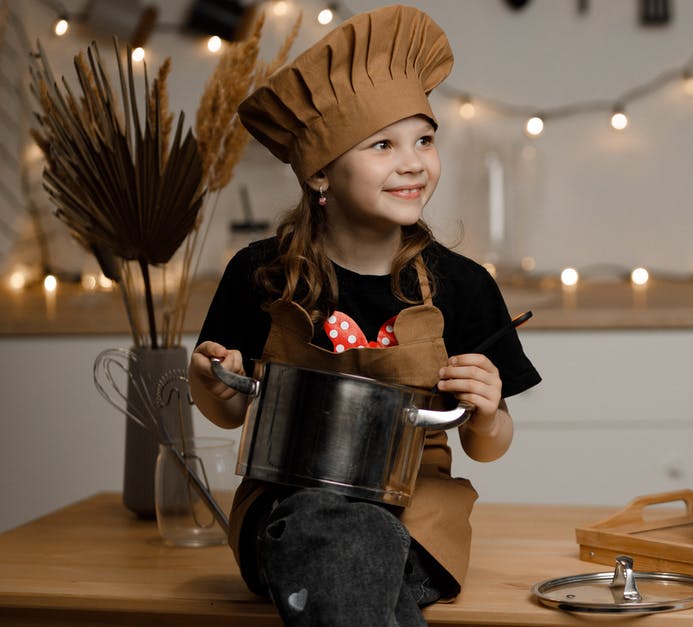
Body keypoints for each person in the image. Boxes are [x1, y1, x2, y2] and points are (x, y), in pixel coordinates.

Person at [186, 5, 541, 625]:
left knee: (367, 546)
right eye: (383, 145)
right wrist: (211, 381)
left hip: (420, 519)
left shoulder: (463, 285)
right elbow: (231, 405)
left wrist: (486, 412)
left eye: (424, 140)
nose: (414, 163)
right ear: (320, 171)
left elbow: (490, 444)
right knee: (337, 528)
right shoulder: (260, 274)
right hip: (288, 513)